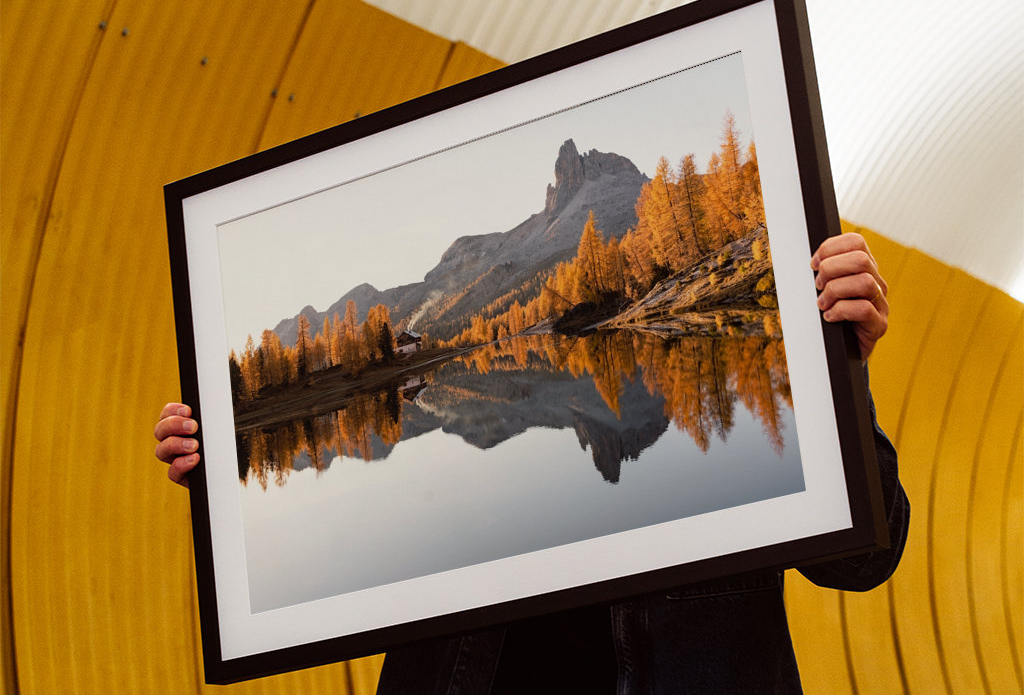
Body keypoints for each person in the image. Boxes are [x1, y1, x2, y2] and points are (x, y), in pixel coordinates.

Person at [154, 233, 909, 693]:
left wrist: (837, 366)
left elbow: (865, 559)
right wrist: (232, 462)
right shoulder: (442, 478)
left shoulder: (770, 355)